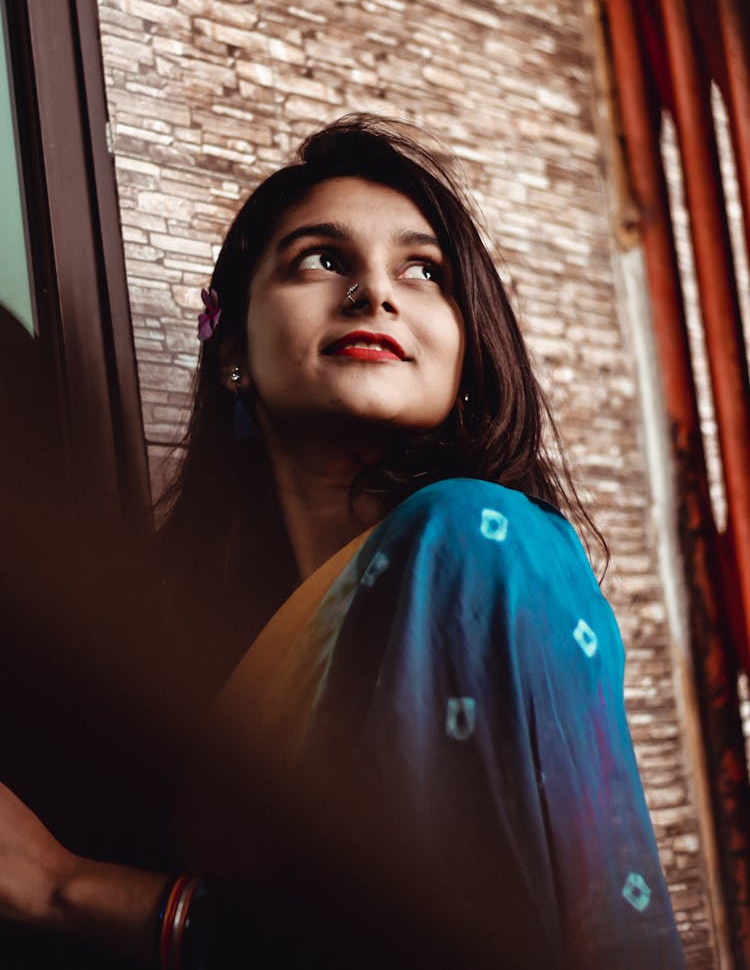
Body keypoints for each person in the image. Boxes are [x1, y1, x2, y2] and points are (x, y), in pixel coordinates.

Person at [0, 115, 685, 968]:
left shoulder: (477, 541)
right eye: (322, 258)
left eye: (423, 270)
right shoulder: (203, 658)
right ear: (232, 348)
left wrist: (67, 887)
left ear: (468, 353)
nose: (374, 293)